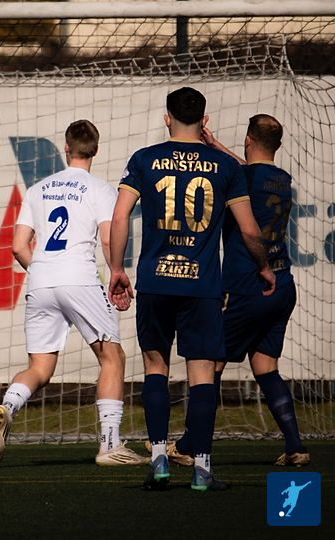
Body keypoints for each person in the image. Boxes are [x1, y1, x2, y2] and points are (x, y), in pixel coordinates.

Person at [108, 87, 276, 492]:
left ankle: (159, 461)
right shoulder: (225, 165)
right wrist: (264, 267)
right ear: (205, 121)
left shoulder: (144, 159)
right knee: (201, 374)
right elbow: (249, 229)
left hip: (155, 280)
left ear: (167, 118)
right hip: (201, 284)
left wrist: (116, 268)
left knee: (155, 367)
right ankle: (201, 468)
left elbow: (120, 216)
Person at [0, 120, 147, 467]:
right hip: (80, 279)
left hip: (41, 279)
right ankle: (109, 446)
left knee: (40, 368)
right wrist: (116, 273)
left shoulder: (37, 189)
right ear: (96, 150)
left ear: (66, 148)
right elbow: (108, 239)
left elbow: (17, 246)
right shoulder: (101, 189)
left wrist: (45, 270)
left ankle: (8, 406)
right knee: (112, 358)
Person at [168, 115, 308, 467]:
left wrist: (207, 148)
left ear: (247, 140)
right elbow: (247, 170)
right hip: (283, 286)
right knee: (265, 367)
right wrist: (215, 145)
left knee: (210, 363)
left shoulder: (242, 177)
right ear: (276, 145)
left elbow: (238, 174)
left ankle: (189, 446)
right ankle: (295, 446)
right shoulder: (281, 179)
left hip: (249, 285)